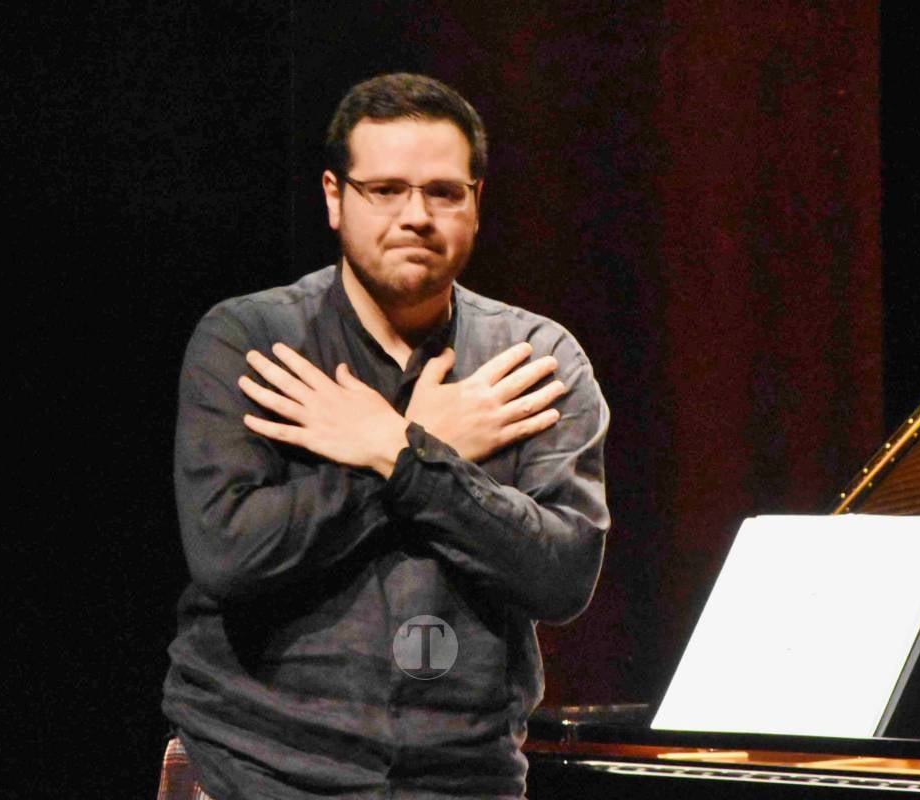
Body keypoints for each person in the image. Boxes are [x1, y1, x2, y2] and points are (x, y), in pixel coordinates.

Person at [159, 73, 610, 800]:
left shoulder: (535, 360)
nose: (416, 215)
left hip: (465, 779)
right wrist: (422, 445)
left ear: (476, 202)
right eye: (386, 190)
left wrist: (401, 455)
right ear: (336, 198)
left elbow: (561, 575)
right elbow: (231, 554)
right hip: (258, 769)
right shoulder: (252, 340)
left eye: (443, 192)